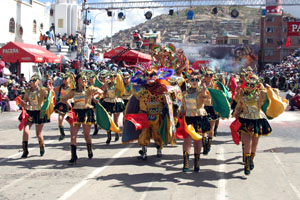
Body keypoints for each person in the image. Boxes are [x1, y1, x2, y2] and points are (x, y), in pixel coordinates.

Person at [233, 75, 273, 175]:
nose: (249, 86)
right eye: (247, 84)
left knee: (254, 143)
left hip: (257, 120)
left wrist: (263, 86)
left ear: (255, 86)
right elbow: (238, 106)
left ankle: (251, 159)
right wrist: (236, 113)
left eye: (252, 85)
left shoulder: (260, 94)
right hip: (245, 120)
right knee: (247, 142)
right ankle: (246, 164)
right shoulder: (242, 95)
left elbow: (268, 95)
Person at [60, 73, 103, 165]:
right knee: (73, 135)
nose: (85, 81)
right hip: (76, 113)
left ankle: (89, 149)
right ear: (78, 80)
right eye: (83, 79)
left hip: (87, 112)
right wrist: (68, 104)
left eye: (86, 79)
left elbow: (100, 91)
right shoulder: (73, 91)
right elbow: (63, 98)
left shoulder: (89, 89)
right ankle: (73, 156)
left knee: (86, 135)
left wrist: (95, 96)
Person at [18, 74, 53, 158]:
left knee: (38, 133)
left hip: (39, 111)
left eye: (34, 81)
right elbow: (25, 100)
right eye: (31, 81)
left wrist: (50, 88)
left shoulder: (42, 90)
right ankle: (25, 150)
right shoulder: (27, 91)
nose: (32, 83)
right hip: (30, 111)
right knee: (26, 129)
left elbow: (49, 96)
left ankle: (41, 145)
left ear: (38, 81)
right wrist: (22, 102)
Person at [181, 72, 211, 172]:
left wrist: (204, 88)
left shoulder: (201, 91)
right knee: (187, 139)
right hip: (188, 117)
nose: (194, 82)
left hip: (199, 117)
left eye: (197, 80)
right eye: (192, 80)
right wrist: (178, 114)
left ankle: (196, 162)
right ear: (189, 81)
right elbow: (183, 106)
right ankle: (185, 163)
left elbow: (205, 97)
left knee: (198, 139)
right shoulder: (185, 93)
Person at [101, 71, 125, 144]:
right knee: (108, 120)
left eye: (114, 76)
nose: (112, 78)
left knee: (115, 120)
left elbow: (121, 92)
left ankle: (116, 133)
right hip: (107, 102)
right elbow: (103, 92)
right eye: (111, 76)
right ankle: (109, 136)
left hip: (115, 102)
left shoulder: (118, 85)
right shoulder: (106, 84)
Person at [203, 70, 219, 155]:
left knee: (211, 128)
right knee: (203, 128)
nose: (208, 76)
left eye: (210, 75)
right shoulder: (200, 84)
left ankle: (208, 145)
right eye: (206, 75)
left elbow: (219, 95)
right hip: (202, 107)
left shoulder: (215, 85)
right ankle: (204, 144)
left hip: (212, 108)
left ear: (213, 76)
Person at [54, 73, 72, 141]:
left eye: (65, 79)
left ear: (69, 79)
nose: (64, 80)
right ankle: (62, 134)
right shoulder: (61, 87)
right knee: (60, 118)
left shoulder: (72, 87)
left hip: (69, 104)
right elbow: (54, 89)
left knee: (71, 119)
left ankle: (73, 132)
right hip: (62, 104)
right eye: (63, 79)